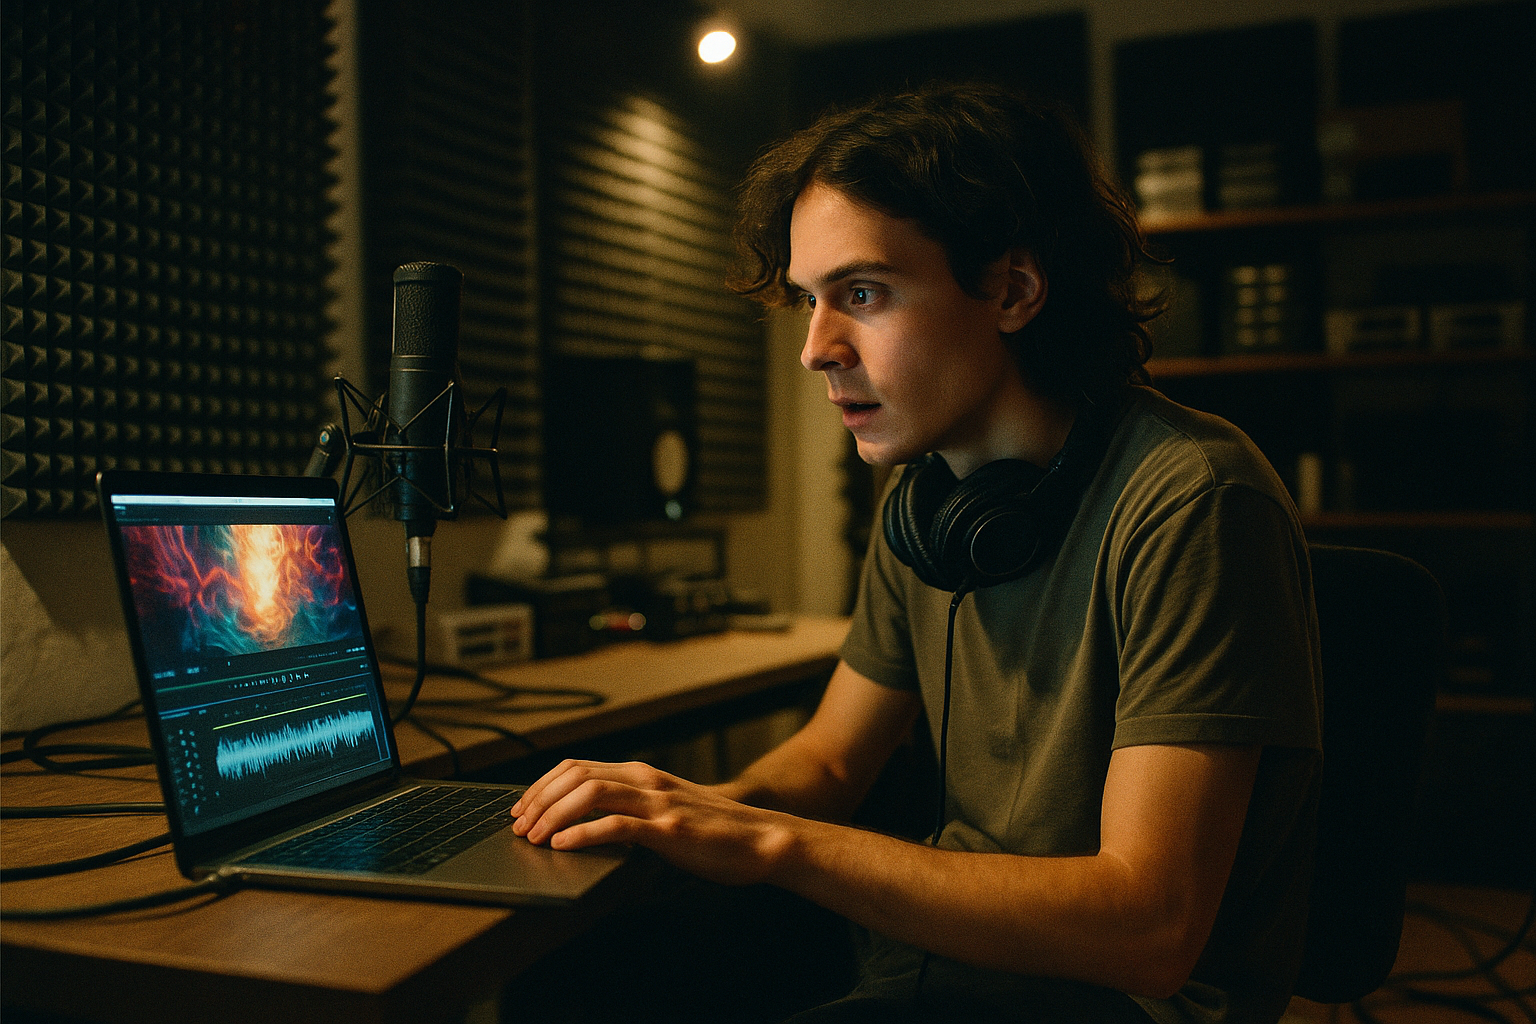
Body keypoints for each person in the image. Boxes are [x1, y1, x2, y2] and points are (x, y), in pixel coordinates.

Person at [510, 82, 1323, 1024]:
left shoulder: (1194, 501)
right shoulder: (927, 503)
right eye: (811, 301)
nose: (815, 348)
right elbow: (826, 765)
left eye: (863, 294)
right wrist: (692, 816)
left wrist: (768, 842)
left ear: (1013, 289)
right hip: (938, 956)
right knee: (574, 979)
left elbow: (1148, 928)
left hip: (1113, 1002)